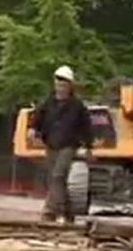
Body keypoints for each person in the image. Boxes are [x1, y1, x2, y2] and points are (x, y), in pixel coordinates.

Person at [27, 65, 94, 223]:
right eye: (58, 85)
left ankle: (52, 211)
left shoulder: (77, 106)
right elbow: (38, 117)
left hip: (68, 145)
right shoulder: (48, 102)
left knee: (58, 176)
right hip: (51, 143)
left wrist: (88, 146)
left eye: (64, 85)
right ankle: (68, 213)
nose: (60, 88)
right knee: (54, 179)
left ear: (70, 86)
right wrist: (33, 128)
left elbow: (86, 126)